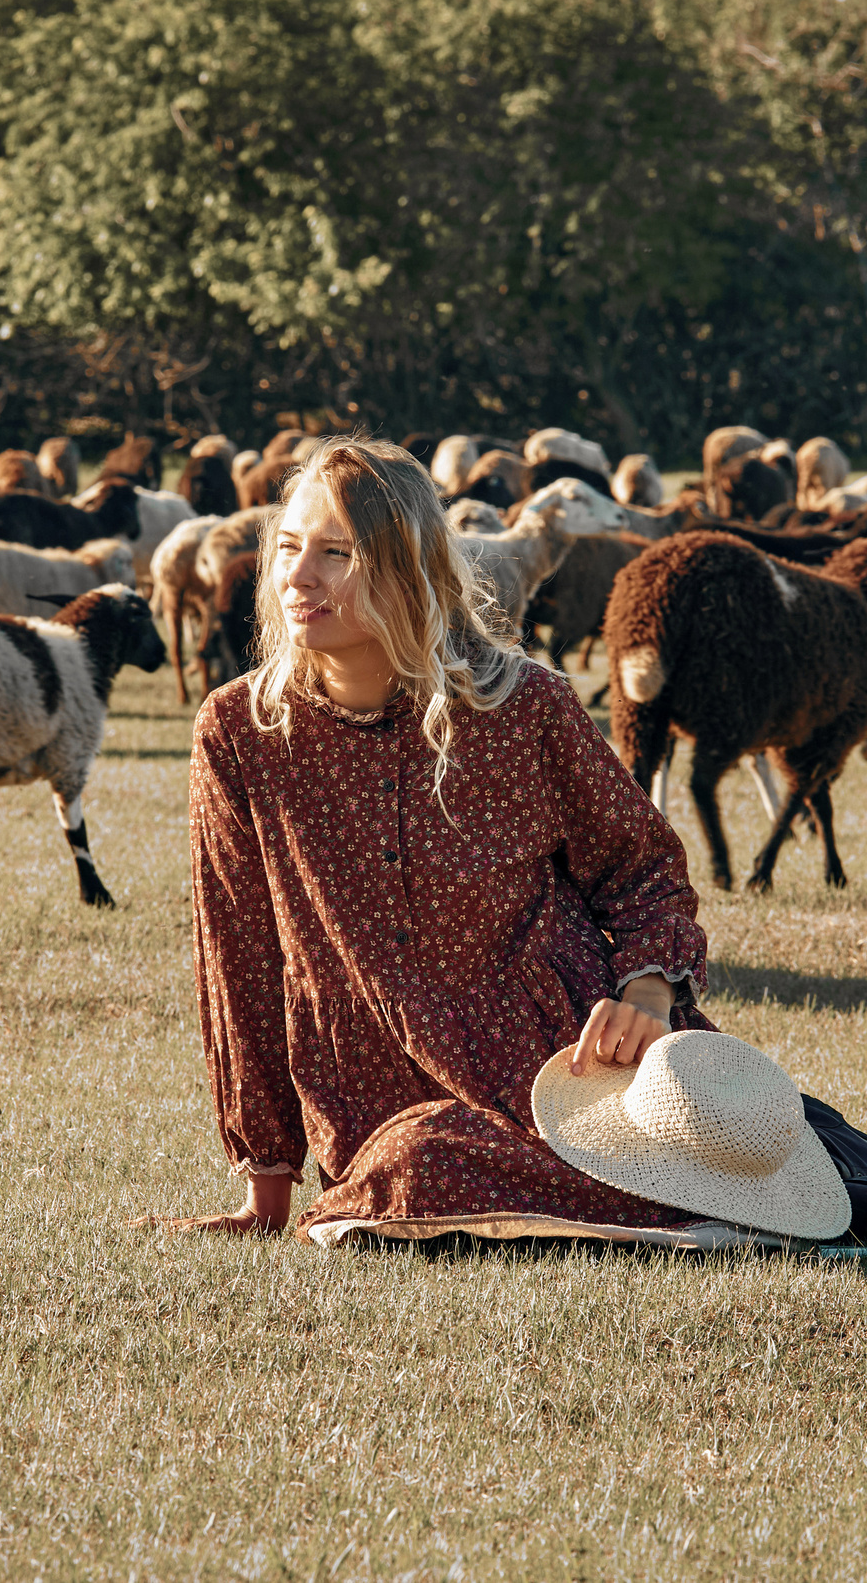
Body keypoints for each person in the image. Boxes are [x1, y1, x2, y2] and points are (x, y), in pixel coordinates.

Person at [174, 436, 725, 1244]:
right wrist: (268, 1179)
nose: (297, 577)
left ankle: (692, 1192)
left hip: (571, 1069)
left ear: (407, 569)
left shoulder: (523, 704)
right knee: (411, 1164)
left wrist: (648, 989)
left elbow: (640, 864)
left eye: (336, 553)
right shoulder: (241, 729)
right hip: (375, 1099)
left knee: (751, 1153)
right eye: (288, 548)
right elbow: (241, 956)